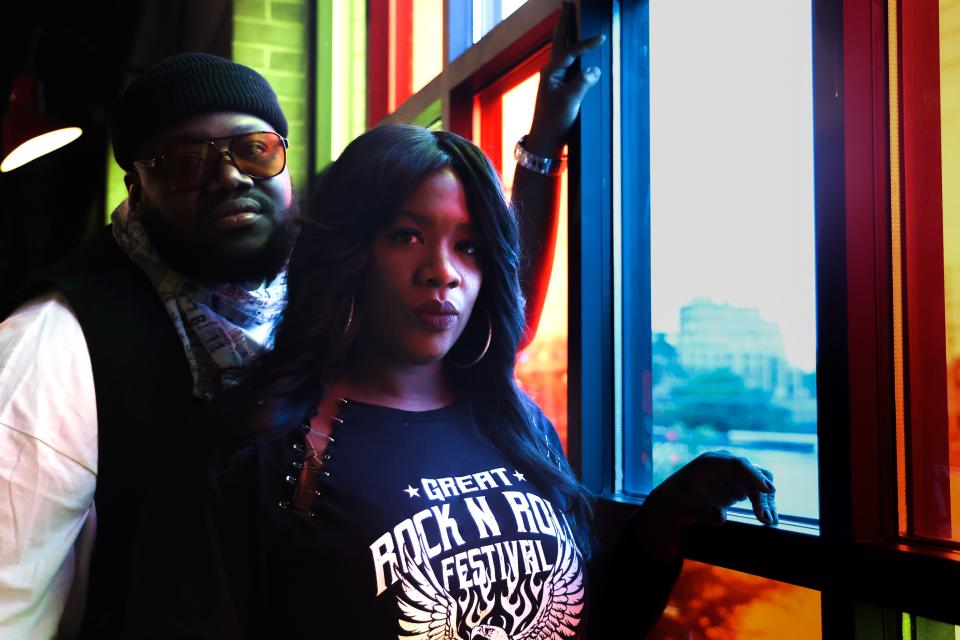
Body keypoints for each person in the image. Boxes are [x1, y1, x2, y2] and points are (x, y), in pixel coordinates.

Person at [0, 6, 604, 635]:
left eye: (253, 149)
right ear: (135, 188)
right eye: (185, 163)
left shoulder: (306, 285)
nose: (229, 176)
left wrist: (541, 151)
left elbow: (474, 294)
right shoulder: (54, 343)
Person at [119, 123, 776, 639]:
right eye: (407, 236)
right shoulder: (252, 450)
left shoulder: (515, 425)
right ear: (349, 252)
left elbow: (583, 622)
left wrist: (664, 520)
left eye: (468, 245)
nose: (444, 273)